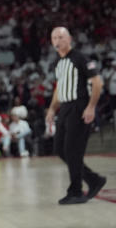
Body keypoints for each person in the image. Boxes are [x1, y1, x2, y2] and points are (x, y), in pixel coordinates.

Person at [45, 26, 107, 204]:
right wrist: (51, 108)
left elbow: (97, 83)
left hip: (79, 106)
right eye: (54, 38)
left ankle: (76, 191)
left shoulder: (80, 58)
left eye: (61, 37)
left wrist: (91, 107)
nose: (57, 41)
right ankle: (94, 180)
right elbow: (59, 88)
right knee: (59, 149)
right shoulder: (58, 62)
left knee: (73, 151)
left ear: (69, 39)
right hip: (65, 107)